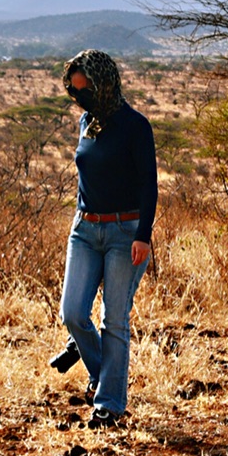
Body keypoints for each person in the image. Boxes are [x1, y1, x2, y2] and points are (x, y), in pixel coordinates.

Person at [56, 49, 156, 428]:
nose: (80, 99)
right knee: (73, 313)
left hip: (124, 232)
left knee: (114, 320)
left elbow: (149, 184)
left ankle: (110, 404)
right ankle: (100, 371)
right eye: (75, 92)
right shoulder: (86, 122)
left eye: (86, 92)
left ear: (105, 85)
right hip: (84, 230)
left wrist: (143, 235)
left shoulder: (135, 126)